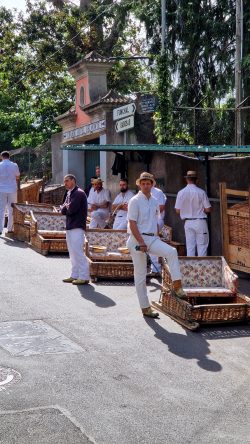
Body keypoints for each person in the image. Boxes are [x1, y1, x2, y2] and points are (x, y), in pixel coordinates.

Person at [127, 172, 186, 319]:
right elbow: (132, 223)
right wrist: (141, 242)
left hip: (152, 239)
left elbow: (155, 222)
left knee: (172, 252)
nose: (146, 185)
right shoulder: (134, 201)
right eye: (143, 183)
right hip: (137, 241)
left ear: (152, 185)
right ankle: (145, 307)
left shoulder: (154, 201)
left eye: (149, 183)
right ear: (140, 185)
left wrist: (157, 235)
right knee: (140, 276)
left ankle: (177, 286)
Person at [61, 174, 90, 285]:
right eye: (64, 181)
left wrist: (66, 207)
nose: (65, 183)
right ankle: (75, 275)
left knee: (78, 252)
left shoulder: (78, 193)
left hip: (77, 226)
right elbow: (63, 209)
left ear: (73, 180)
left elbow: (71, 209)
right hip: (70, 226)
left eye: (67, 181)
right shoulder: (70, 193)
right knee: (72, 252)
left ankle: (84, 276)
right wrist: (66, 207)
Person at [175, 170, 212, 256]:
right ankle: (201, 269)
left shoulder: (181, 193)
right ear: (197, 180)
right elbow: (208, 209)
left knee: (190, 247)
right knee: (202, 247)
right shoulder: (201, 192)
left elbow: (177, 210)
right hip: (200, 222)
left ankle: (190, 268)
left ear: (186, 180)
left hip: (188, 222)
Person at [0, 151, 20, 235]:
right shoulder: (14, 165)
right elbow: (18, 176)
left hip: (1, 189)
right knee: (11, 209)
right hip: (12, 189)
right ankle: (10, 229)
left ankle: (0, 229)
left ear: (1, 156)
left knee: (1, 209)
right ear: (9, 156)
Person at [149, 184, 167, 276]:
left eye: (147, 182)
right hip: (147, 221)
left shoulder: (158, 192)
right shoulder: (141, 193)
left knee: (153, 241)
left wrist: (147, 212)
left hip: (156, 220)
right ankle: (155, 268)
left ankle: (157, 268)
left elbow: (161, 207)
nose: (145, 185)